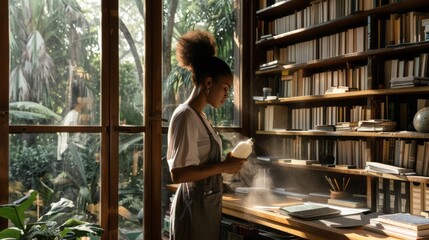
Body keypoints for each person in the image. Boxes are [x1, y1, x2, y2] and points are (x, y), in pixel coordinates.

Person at [166, 29, 247, 240]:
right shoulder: (185, 116)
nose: (227, 96)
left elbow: (202, 164)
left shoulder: (201, 117)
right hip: (193, 209)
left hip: (205, 206)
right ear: (209, 83)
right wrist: (223, 166)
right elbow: (179, 174)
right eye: (226, 88)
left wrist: (227, 166)